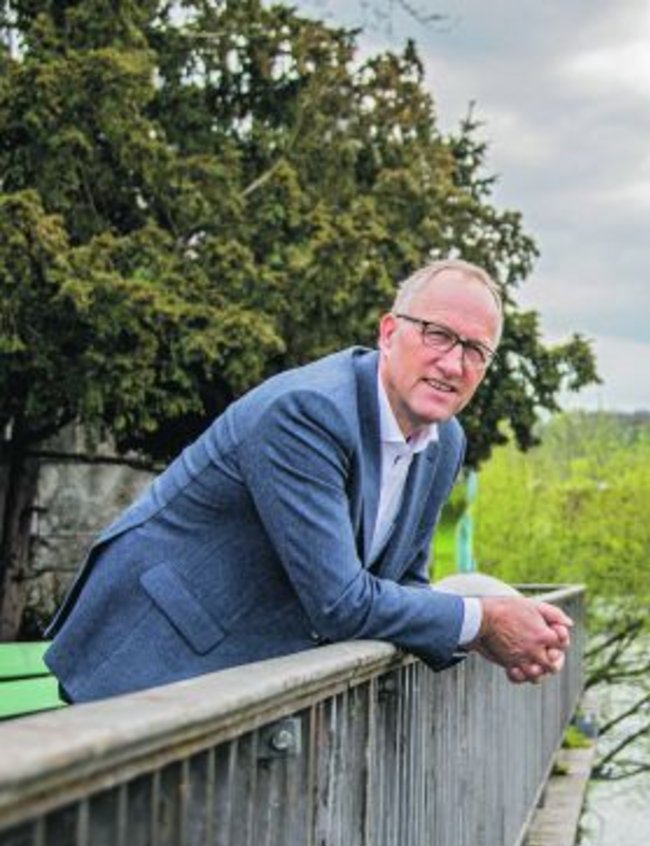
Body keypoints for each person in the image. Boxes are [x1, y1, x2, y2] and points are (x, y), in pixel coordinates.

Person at [44, 259, 571, 702]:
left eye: (475, 350)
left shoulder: (444, 442)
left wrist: (481, 627)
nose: (453, 363)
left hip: (238, 671)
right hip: (149, 653)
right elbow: (341, 603)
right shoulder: (308, 413)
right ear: (389, 333)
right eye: (437, 334)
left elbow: (402, 583)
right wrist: (481, 622)